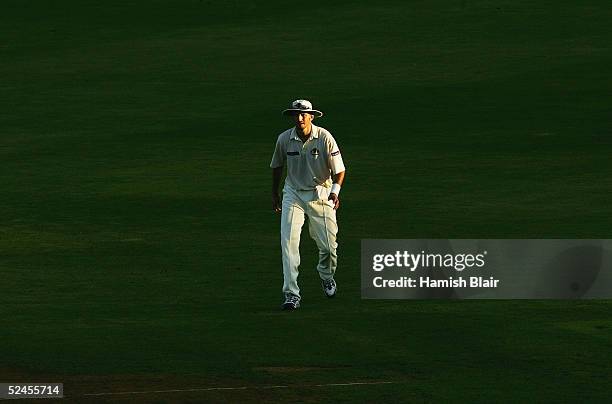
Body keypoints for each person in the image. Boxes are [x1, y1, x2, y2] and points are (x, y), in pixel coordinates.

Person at [270, 99, 346, 310]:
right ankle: (291, 294)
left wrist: (334, 192)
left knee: (329, 248)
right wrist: (275, 193)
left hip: (321, 193)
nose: (300, 118)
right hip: (292, 194)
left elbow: (339, 170)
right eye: (296, 114)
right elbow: (277, 166)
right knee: (289, 245)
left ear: (312, 116)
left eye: (304, 114)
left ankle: (326, 274)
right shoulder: (284, 139)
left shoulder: (324, 138)